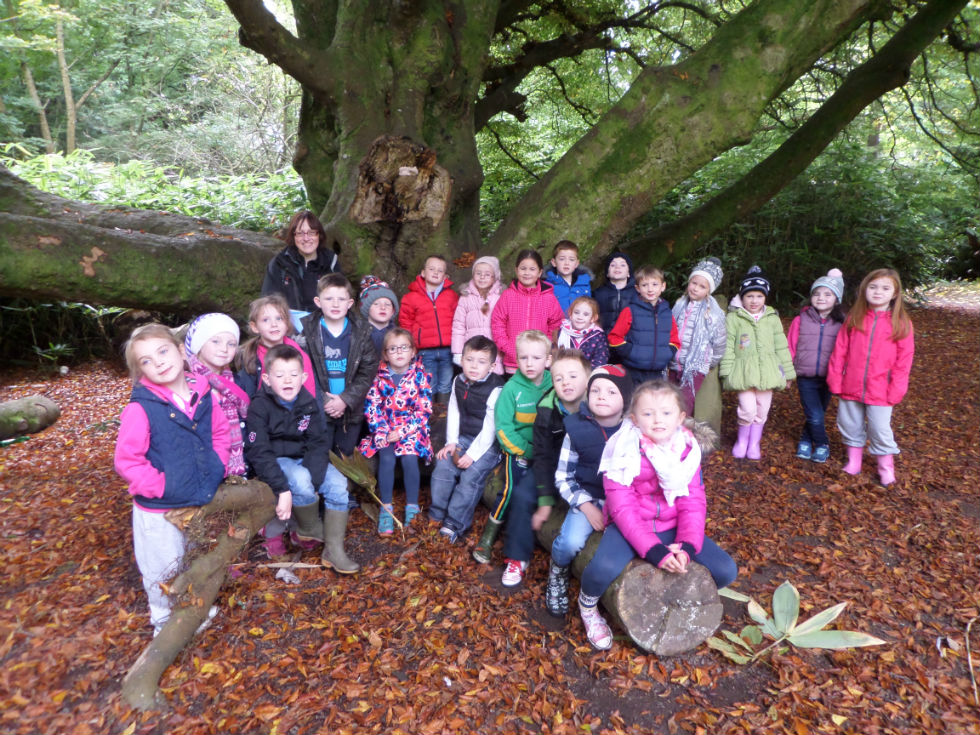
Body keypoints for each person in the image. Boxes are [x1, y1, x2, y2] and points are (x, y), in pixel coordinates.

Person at [576, 380, 737, 650]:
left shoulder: (687, 451)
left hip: (671, 525)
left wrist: (686, 546)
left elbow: (693, 503)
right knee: (602, 568)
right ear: (634, 418)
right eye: (648, 413)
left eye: (666, 413)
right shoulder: (622, 450)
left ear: (681, 418)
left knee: (725, 571)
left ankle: (676, 596)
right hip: (630, 526)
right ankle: (588, 606)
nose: (658, 420)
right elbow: (622, 508)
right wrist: (653, 551)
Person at [115, 324, 230, 636]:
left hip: (197, 497)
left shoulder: (203, 394)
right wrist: (162, 486)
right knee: (162, 566)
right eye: (147, 360)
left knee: (193, 555)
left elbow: (220, 433)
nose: (159, 362)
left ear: (181, 352)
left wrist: (217, 466)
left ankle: (194, 609)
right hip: (159, 510)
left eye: (163, 351)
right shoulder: (141, 408)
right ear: (140, 371)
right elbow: (128, 460)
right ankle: (165, 624)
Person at [299, 273, 379, 572]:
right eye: (328, 299)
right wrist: (323, 400)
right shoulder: (307, 330)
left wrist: (345, 399)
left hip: (349, 410)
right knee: (319, 454)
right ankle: (317, 510)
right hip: (318, 408)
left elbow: (368, 370)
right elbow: (302, 368)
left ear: (350, 303)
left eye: (340, 299)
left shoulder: (361, 330)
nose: (335, 304)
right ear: (318, 301)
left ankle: (339, 503)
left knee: (344, 454)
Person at [498, 348, 592, 588]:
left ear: (588, 377)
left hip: (588, 469)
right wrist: (545, 500)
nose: (566, 382)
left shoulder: (597, 404)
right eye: (559, 378)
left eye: (573, 376)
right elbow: (542, 456)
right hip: (553, 464)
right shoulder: (547, 408)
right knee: (522, 494)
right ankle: (517, 557)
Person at [544, 365, 631, 611]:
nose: (602, 396)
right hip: (588, 496)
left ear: (625, 399)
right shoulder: (576, 430)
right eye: (595, 391)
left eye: (611, 392)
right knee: (570, 542)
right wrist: (585, 505)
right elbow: (563, 476)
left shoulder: (633, 432)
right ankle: (558, 569)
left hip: (623, 502)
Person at [244, 344, 336, 561]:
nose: (287, 380)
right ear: (267, 379)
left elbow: (318, 441)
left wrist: (313, 479)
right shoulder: (259, 406)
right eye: (280, 375)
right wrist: (281, 486)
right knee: (284, 488)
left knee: (304, 483)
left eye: (293, 375)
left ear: (303, 377)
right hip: (272, 461)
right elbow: (259, 450)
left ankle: (298, 530)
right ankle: (272, 535)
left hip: (299, 458)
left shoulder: (308, 402)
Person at [472, 330, 553, 565]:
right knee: (509, 490)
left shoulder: (552, 383)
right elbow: (504, 429)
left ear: (548, 360)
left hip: (547, 452)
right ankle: (488, 537)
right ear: (516, 360)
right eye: (524, 358)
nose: (530, 363)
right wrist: (527, 451)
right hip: (519, 451)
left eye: (536, 358)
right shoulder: (510, 390)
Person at [827, 268, 914, 486]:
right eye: (873, 287)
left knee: (879, 428)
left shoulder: (901, 322)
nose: (878, 292)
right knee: (849, 423)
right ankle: (854, 461)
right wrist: (836, 378)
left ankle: (885, 467)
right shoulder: (854, 318)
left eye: (885, 288)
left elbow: (904, 360)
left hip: (881, 388)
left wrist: (897, 388)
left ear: (894, 293)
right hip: (851, 384)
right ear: (864, 289)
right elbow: (840, 350)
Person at [429, 336, 506, 543]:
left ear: (492, 366)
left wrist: (472, 455)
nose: (474, 366)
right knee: (443, 464)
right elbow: (454, 411)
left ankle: (454, 523)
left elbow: (490, 427)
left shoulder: (496, 388)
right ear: (461, 360)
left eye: (481, 362)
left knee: (471, 476)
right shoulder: (458, 381)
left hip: (489, 445)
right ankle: (437, 513)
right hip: (464, 437)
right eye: (469, 360)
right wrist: (451, 442)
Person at [358, 329, 433, 534]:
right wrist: (381, 431)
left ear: (413, 351)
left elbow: (423, 410)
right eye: (393, 349)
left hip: (411, 429)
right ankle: (386, 508)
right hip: (386, 427)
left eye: (404, 347)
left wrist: (403, 432)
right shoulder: (379, 377)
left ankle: (412, 507)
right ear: (385, 354)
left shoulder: (420, 377)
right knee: (387, 458)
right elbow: (372, 407)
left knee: (410, 458)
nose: (399, 352)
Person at [719, 265, 796, 460]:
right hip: (743, 372)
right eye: (749, 296)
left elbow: (781, 347)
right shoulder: (734, 318)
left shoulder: (771, 318)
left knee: (762, 410)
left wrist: (788, 373)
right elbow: (728, 346)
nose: (754, 301)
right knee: (747, 409)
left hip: (768, 372)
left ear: (765, 297)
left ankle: (754, 443)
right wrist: (726, 372)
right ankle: (741, 441)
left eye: (759, 296)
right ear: (742, 297)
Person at [786, 268, 846, 463]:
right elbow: (790, 347)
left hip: (829, 376)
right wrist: (786, 373)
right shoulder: (800, 320)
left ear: (836, 299)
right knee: (814, 414)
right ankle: (822, 443)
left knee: (817, 413)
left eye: (827, 294)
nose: (821, 298)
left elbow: (846, 350)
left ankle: (805, 439)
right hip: (806, 376)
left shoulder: (842, 324)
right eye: (817, 293)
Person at [183, 313, 250, 478]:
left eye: (231, 343)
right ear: (199, 344)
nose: (224, 349)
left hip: (242, 465)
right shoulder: (186, 383)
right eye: (215, 341)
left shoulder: (238, 381)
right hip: (202, 469)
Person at [261, 210, 340, 332]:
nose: (306, 238)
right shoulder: (279, 263)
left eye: (311, 233)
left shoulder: (331, 263)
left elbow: (341, 299)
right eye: (300, 233)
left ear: (319, 235)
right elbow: (267, 302)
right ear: (293, 236)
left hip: (325, 329)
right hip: (287, 330)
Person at [669, 257, 727, 416]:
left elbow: (720, 341)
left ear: (709, 290)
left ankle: (681, 427)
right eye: (694, 283)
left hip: (696, 365)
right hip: (675, 361)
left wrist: (709, 361)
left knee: (686, 401)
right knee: (669, 398)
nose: (695, 288)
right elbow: (670, 328)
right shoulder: (679, 304)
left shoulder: (713, 313)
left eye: (702, 286)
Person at [491, 250, 565, 374]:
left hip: (538, 361)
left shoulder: (549, 298)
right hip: (513, 362)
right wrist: (508, 347)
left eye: (532, 269)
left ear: (539, 272)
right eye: (523, 268)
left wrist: (543, 346)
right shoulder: (508, 295)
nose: (527, 273)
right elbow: (498, 323)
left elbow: (556, 325)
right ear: (516, 270)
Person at [398, 254, 459, 401]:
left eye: (440, 270)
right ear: (423, 273)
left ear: (445, 276)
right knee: (428, 383)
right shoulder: (411, 297)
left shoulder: (451, 296)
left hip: (447, 349)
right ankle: (428, 411)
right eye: (432, 269)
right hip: (425, 350)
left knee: (446, 382)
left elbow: (458, 321)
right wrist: (410, 346)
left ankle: (443, 411)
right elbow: (406, 323)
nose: (436, 272)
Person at [236, 294, 317, 402]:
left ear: (287, 323)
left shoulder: (301, 350)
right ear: (255, 327)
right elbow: (247, 396)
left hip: (301, 409)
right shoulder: (250, 356)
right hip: (264, 410)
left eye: (279, 318)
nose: (274, 324)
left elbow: (312, 387)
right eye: (266, 320)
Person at [608, 266, 680, 385]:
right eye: (644, 285)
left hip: (657, 372)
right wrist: (630, 352)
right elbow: (614, 337)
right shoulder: (630, 311)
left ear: (663, 286)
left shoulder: (667, 313)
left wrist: (667, 353)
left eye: (655, 284)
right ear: (637, 288)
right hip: (633, 370)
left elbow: (674, 339)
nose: (650, 289)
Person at [452, 256, 504, 374]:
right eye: (478, 273)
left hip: (495, 350)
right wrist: (457, 351)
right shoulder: (466, 297)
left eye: (487, 274)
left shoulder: (501, 297)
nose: (482, 277)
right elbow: (458, 326)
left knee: (492, 379)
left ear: (495, 276)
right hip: (471, 350)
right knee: (473, 377)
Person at [557, 296, 609, 369]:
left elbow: (600, 360)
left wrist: (582, 372)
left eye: (586, 314)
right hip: (564, 371)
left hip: (588, 373)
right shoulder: (562, 331)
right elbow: (555, 354)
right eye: (576, 313)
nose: (580, 317)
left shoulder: (598, 336)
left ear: (593, 318)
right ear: (570, 314)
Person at [543, 240, 592, 314]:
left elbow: (589, 310)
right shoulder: (547, 285)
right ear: (554, 262)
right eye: (562, 259)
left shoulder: (584, 284)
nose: (567, 263)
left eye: (571, 259)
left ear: (576, 263)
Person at [593, 251, 637, 333]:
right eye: (613, 265)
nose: (617, 267)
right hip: (604, 337)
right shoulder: (598, 293)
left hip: (629, 338)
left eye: (622, 265)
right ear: (607, 273)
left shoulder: (637, 294)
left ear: (629, 273)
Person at [359, 275, 400, 358]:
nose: (383, 307)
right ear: (367, 309)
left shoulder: (398, 335)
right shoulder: (358, 334)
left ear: (393, 311)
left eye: (387, 304)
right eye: (376, 304)